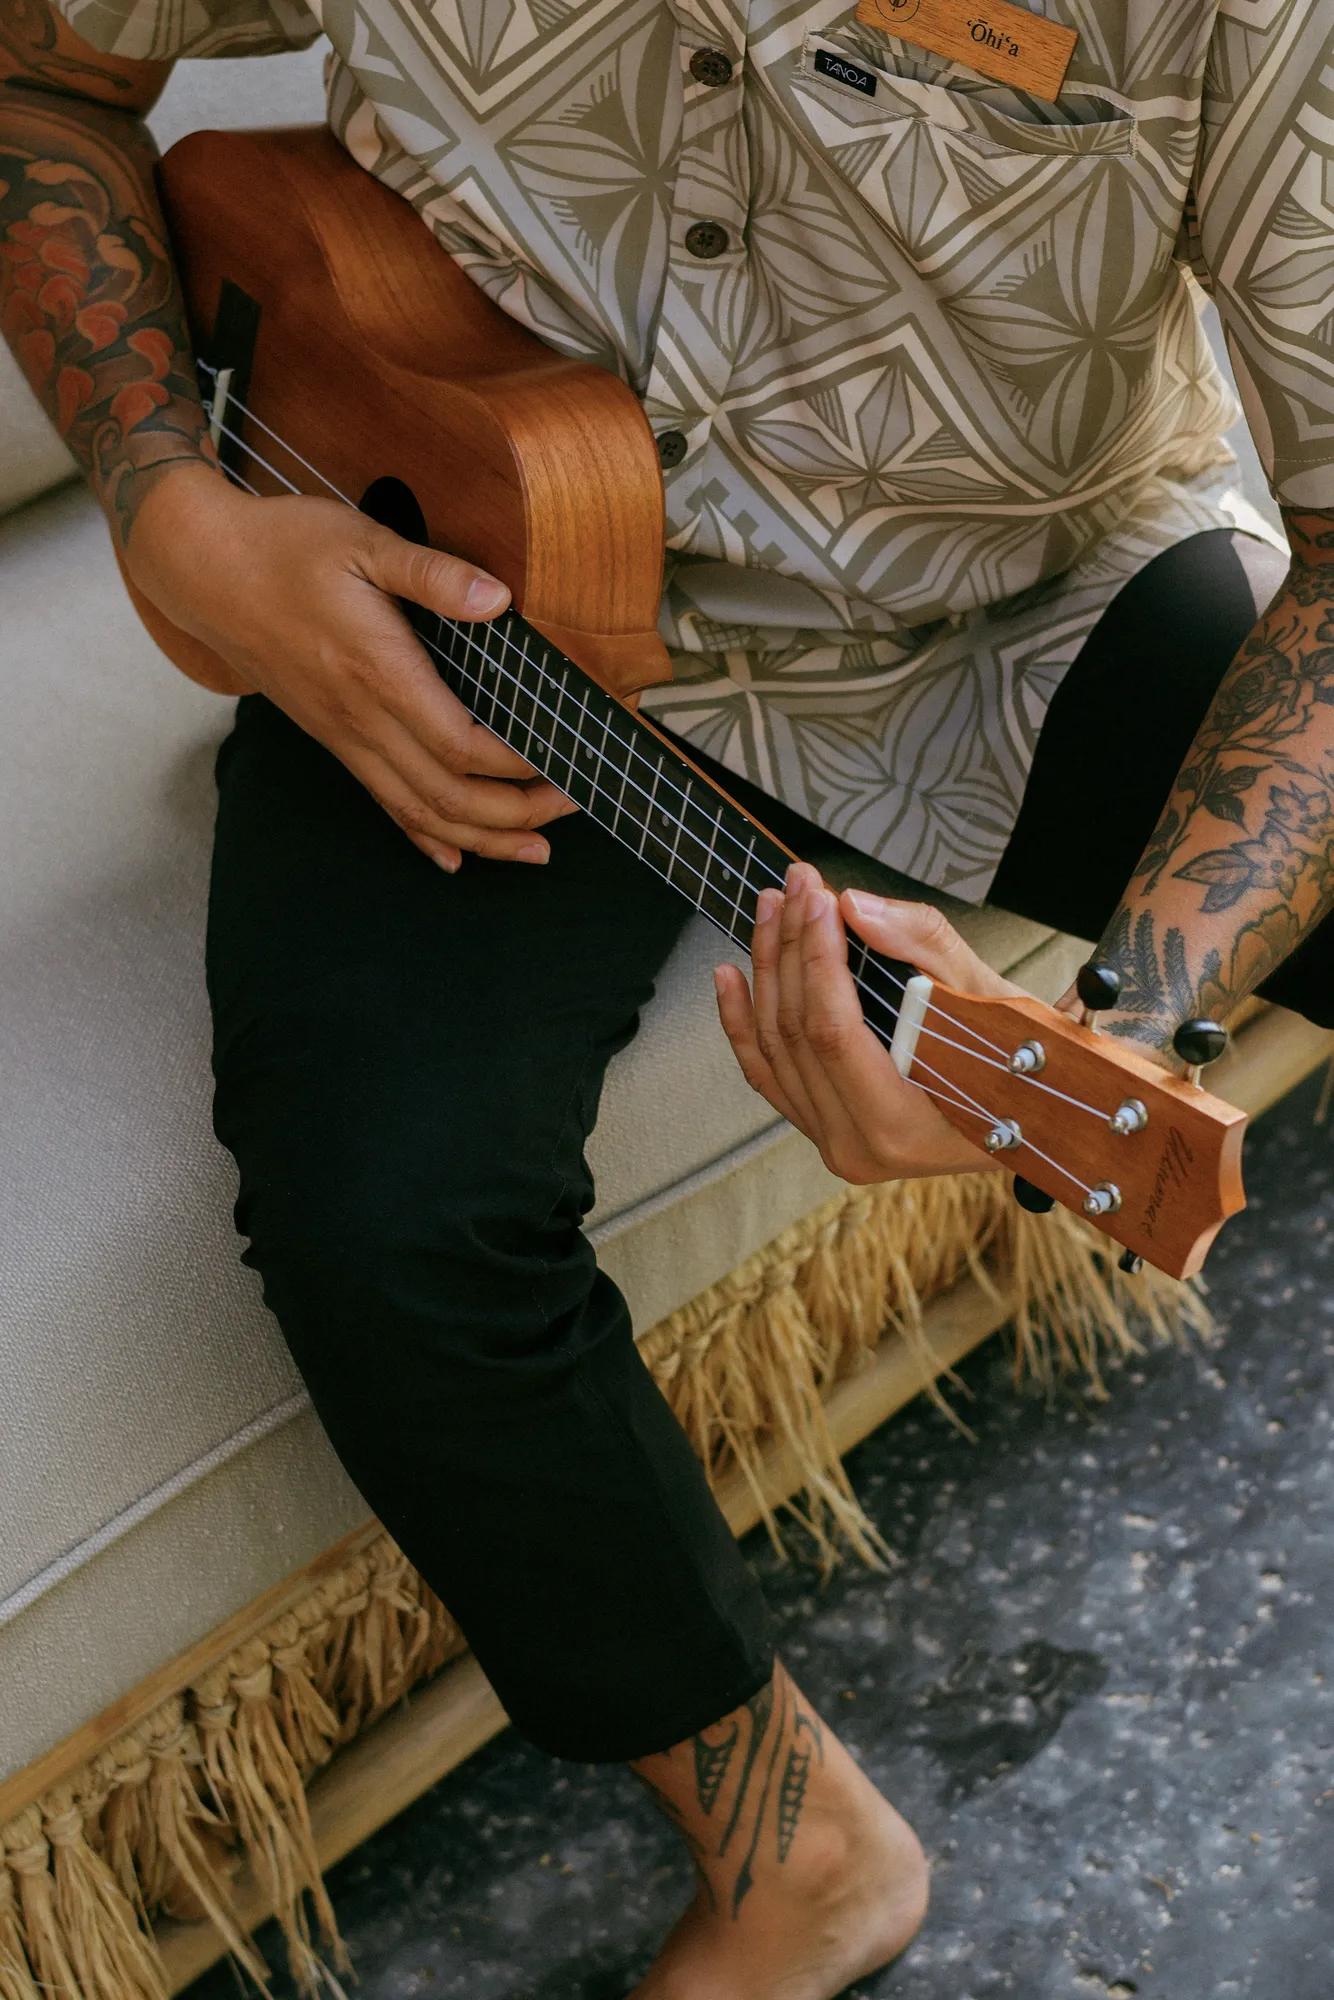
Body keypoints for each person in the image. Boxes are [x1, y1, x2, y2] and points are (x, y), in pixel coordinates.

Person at [2, 0, 1330, 1990]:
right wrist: (177, 508)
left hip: (1011, 617)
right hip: (458, 581)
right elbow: (43, 63)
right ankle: (786, 1848)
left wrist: (1120, 1036)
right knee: (377, 1203)